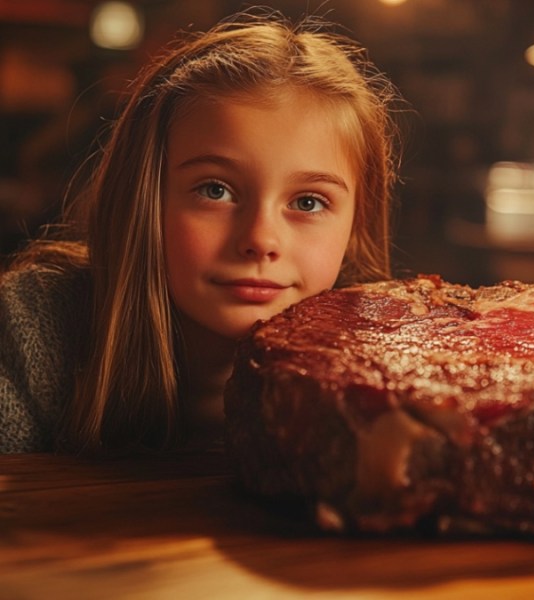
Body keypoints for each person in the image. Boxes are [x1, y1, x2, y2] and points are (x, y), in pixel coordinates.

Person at [0, 10, 403, 454]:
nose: (261, 239)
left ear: (355, 223)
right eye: (216, 190)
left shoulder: (387, 376)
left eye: (308, 202)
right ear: (144, 198)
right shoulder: (37, 327)